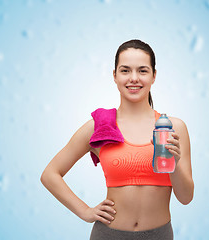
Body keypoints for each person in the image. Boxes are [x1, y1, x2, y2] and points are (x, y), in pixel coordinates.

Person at [40, 39, 194, 240]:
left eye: (143, 70)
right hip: (108, 234)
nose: (134, 78)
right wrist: (85, 211)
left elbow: (185, 198)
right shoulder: (99, 127)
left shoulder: (173, 128)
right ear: (114, 75)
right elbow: (50, 174)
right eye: (125, 70)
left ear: (154, 76)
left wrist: (175, 161)